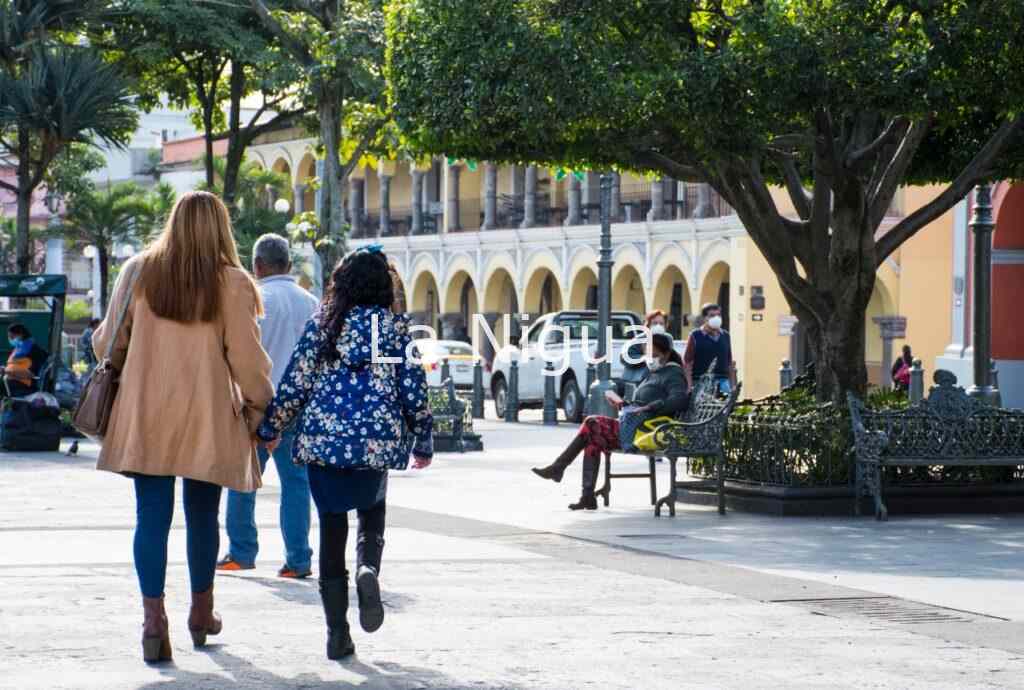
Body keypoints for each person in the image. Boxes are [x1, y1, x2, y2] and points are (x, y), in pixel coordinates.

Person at [93, 191, 274, 663]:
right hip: (207, 416)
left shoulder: (138, 271)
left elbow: (106, 344)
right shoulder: (233, 282)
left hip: (145, 413)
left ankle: (154, 622)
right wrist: (260, 408)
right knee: (203, 516)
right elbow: (248, 361)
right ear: (221, 229)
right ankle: (201, 612)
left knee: (150, 517)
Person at [256, 245, 433, 660]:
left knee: (332, 529)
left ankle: (338, 633)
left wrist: (271, 426)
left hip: (325, 442)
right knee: (372, 512)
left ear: (343, 284)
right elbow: (413, 388)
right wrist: (423, 436)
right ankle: (368, 568)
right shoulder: (394, 330)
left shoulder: (323, 326)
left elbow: (295, 383)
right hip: (376, 441)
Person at [217, 234, 319, 578]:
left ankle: (242, 551)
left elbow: (240, 356)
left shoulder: (254, 300)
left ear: (257, 265)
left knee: (243, 481)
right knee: (297, 484)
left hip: (257, 405)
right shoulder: (311, 303)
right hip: (298, 408)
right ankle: (298, 560)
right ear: (288, 265)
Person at [532, 333, 688, 510]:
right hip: (634, 425)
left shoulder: (673, 373)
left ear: (667, 354)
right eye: (647, 355)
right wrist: (623, 403)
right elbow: (641, 403)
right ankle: (586, 496)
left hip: (647, 430)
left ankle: (558, 469)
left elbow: (679, 400)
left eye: (654, 355)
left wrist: (650, 407)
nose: (650, 359)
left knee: (591, 422)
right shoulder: (652, 373)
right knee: (592, 441)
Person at [683, 303, 735, 394]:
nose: (716, 318)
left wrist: (733, 385)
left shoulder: (725, 335)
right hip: (701, 382)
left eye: (718, 315)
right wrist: (689, 385)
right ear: (704, 318)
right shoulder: (695, 335)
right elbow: (687, 362)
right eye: (712, 315)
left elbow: (729, 362)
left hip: (723, 382)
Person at [4, 324, 48, 397]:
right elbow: (13, 366)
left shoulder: (33, 350)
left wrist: (7, 371)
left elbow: (32, 374)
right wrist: (5, 369)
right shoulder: (19, 348)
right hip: (11, 384)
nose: (10, 339)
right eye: (9, 337)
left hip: (22, 387)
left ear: (20, 335)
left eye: (12, 337)